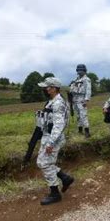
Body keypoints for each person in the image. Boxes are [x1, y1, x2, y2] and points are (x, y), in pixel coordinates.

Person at [36, 77, 74, 205]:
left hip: (53, 138)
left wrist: (50, 143)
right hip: (48, 136)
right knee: (43, 162)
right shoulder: (51, 101)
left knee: (45, 163)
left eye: (48, 87)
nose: (45, 89)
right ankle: (65, 178)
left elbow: (58, 125)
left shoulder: (57, 103)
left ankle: (55, 193)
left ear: (54, 88)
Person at [69, 64, 92, 138]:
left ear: (84, 71)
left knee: (83, 115)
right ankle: (80, 130)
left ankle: (87, 131)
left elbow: (88, 90)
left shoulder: (86, 79)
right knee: (78, 115)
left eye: (81, 70)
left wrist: (86, 100)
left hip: (82, 99)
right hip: (75, 99)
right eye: (78, 70)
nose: (79, 72)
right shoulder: (76, 80)